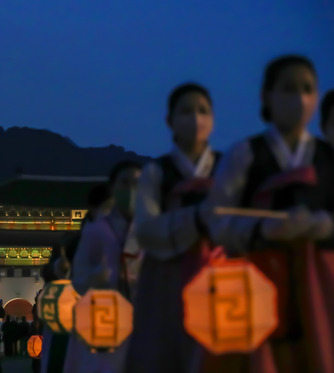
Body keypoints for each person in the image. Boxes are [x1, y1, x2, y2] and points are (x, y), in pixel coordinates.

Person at [205, 55, 334, 373]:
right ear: (266, 96)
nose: (299, 99)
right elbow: (216, 218)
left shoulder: (328, 157)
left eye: (307, 89)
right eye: (288, 89)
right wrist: (261, 229)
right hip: (257, 276)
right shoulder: (245, 154)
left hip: (319, 280)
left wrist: (324, 225)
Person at [126, 83, 223, 373]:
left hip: (218, 269)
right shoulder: (156, 172)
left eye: (202, 111)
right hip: (169, 274)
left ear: (213, 120)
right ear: (170, 121)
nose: (195, 118)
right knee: (167, 350)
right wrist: (195, 220)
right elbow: (145, 227)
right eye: (186, 111)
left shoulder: (227, 167)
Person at [63, 160, 142, 373]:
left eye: (138, 183)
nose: (132, 189)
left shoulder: (150, 229)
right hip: (104, 318)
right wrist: (96, 278)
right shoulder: (96, 230)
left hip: (142, 318)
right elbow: (78, 276)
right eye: (125, 183)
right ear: (114, 188)